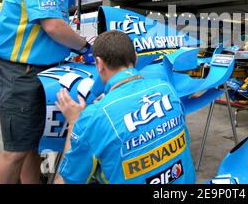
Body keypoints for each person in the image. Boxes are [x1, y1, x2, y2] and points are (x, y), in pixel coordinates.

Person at [0, 0, 97, 184]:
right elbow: (53, 27)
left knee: (31, 146)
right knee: (16, 150)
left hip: (35, 74)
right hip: (19, 73)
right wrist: (85, 47)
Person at [54, 30, 196, 184]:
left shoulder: (92, 117)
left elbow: (68, 180)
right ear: (135, 57)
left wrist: (74, 122)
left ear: (99, 64)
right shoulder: (166, 88)